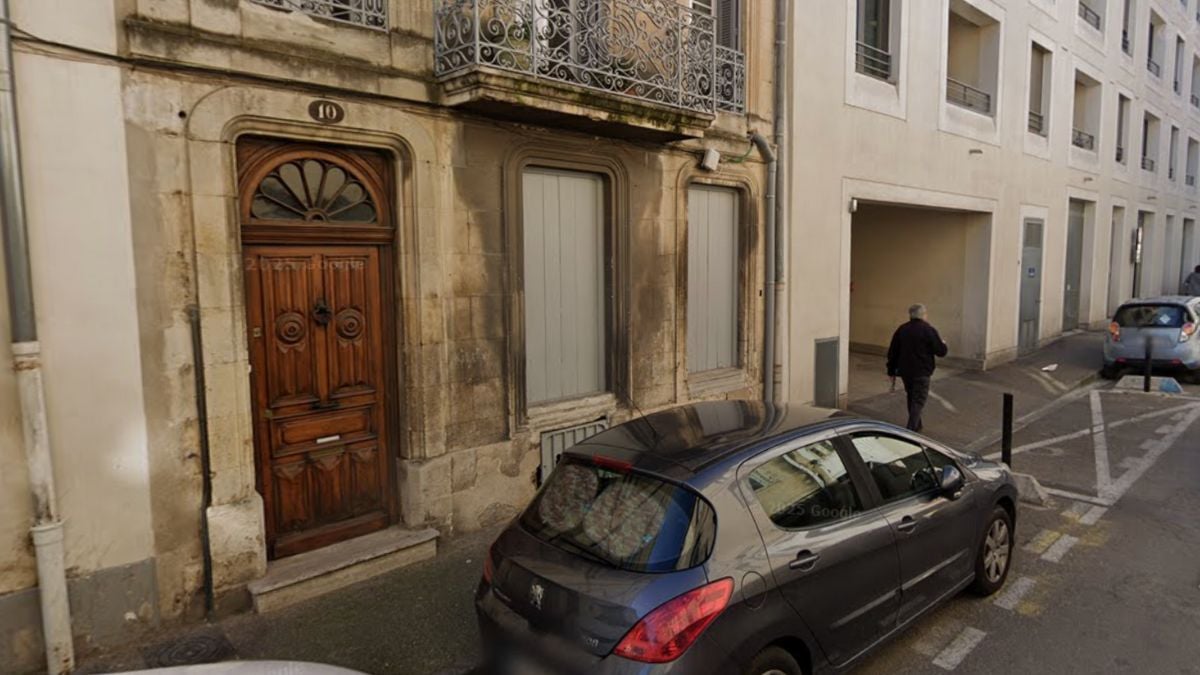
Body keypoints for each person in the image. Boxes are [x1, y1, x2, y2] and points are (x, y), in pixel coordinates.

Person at [886, 304, 949, 432]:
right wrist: (943, 344)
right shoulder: (928, 330)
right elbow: (941, 352)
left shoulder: (902, 329)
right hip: (922, 372)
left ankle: (917, 425)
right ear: (923, 315)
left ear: (910, 315)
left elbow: (893, 351)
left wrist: (891, 370)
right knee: (919, 400)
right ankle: (911, 430)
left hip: (906, 372)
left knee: (912, 397)